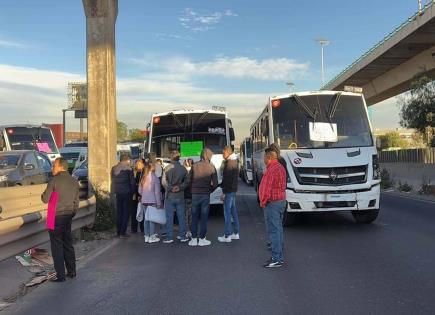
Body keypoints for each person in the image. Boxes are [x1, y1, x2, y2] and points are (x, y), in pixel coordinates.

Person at [41, 157, 79, 282]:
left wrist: (45, 194)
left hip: (54, 216)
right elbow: (76, 202)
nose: (52, 168)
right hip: (68, 215)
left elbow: (45, 199)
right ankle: (72, 271)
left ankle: (60, 275)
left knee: (56, 245)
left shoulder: (54, 181)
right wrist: (71, 213)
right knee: (68, 243)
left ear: (61, 166)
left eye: (54, 165)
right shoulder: (74, 181)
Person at [259, 147, 287, 268]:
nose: (263, 159)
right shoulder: (280, 167)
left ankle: (277, 258)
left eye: (264, 157)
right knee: (278, 229)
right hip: (281, 201)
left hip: (273, 203)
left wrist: (263, 201)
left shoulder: (271, 169)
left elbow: (267, 188)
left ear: (269, 157)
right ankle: (278, 255)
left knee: (274, 231)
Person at [188, 148, 218, 247]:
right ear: (208, 156)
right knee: (204, 217)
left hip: (195, 194)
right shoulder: (211, 167)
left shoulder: (194, 166)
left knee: (194, 216)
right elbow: (215, 184)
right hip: (205, 194)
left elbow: (189, 181)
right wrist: (210, 190)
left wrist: (192, 190)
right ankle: (202, 239)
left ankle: (193, 239)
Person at [162, 150, 189, 243]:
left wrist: (170, 188)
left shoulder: (167, 168)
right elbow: (187, 181)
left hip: (169, 196)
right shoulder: (183, 168)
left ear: (171, 158)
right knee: (181, 216)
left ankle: (169, 237)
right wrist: (180, 187)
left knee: (169, 217)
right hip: (180, 195)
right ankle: (182, 236)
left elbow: (163, 181)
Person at [218, 146, 240, 243]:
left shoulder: (229, 164)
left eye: (223, 153)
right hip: (233, 190)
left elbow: (227, 180)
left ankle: (227, 236)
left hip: (228, 191)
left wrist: (223, 192)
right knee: (233, 212)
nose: (222, 154)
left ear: (228, 153)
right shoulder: (234, 162)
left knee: (227, 214)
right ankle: (236, 233)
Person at [111, 153, 135, 238]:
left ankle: (118, 232)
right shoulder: (129, 169)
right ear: (126, 160)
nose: (130, 161)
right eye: (129, 160)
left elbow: (112, 181)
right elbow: (132, 183)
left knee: (119, 212)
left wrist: (113, 192)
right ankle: (122, 233)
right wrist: (133, 193)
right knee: (125, 213)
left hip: (118, 193)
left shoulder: (114, 168)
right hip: (127, 193)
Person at [138, 162, 163, 243]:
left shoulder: (143, 177)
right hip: (152, 201)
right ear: (153, 168)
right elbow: (157, 192)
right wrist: (159, 203)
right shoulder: (155, 177)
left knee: (146, 219)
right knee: (152, 219)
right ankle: (152, 236)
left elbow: (140, 191)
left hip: (144, 201)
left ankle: (146, 236)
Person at [132, 158, 145, 234]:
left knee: (141, 211)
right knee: (134, 211)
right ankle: (134, 228)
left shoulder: (144, 172)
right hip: (134, 194)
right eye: (137, 163)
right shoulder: (133, 171)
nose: (138, 165)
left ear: (143, 164)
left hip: (141, 193)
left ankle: (142, 228)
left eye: (139, 163)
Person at [183, 158, 194, 238]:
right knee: (191, 214)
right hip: (192, 196)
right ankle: (191, 230)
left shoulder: (183, 172)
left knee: (185, 215)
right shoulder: (194, 172)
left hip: (184, 196)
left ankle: (187, 230)